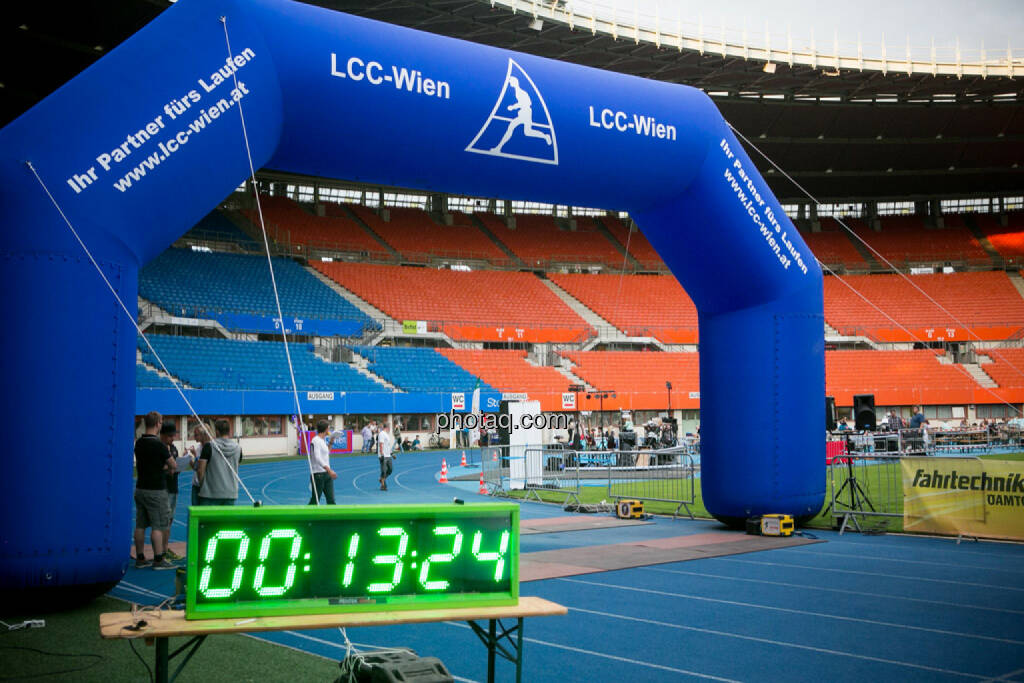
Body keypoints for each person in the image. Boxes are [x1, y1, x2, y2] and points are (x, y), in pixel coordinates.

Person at [133, 411, 176, 569]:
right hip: (156, 490)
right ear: (158, 423)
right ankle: (158, 559)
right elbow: (173, 464)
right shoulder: (158, 444)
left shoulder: (139, 442)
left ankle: (140, 557)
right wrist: (163, 466)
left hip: (140, 487)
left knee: (140, 524)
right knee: (158, 526)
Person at [196, 419, 242, 506]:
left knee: (208, 520)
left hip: (210, 494)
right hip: (230, 494)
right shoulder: (238, 449)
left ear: (216, 432)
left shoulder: (209, 446)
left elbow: (200, 470)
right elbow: (236, 466)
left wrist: (203, 486)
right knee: (225, 520)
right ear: (229, 431)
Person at [160, 421, 183, 561]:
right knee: (163, 520)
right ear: (162, 435)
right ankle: (161, 550)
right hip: (163, 489)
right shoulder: (160, 448)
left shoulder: (173, 448)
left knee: (170, 520)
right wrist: (168, 469)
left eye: (173, 436)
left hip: (173, 488)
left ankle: (165, 547)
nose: (172, 438)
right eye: (169, 436)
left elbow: (176, 468)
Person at [308, 419, 337, 504]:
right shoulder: (316, 440)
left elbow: (327, 453)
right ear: (326, 429)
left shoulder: (322, 440)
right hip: (318, 474)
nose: (329, 431)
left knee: (331, 500)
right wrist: (329, 470)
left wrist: (331, 443)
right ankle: (306, 515)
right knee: (315, 500)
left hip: (326, 474)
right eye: (329, 428)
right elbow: (317, 458)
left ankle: (332, 516)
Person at [188, 423, 211, 506]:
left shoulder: (211, 448)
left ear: (203, 434)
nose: (194, 437)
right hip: (196, 485)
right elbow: (196, 467)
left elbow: (203, 467)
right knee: (195, 508)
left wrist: (196, 456)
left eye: (196, 435)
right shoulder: (199, 447)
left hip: (206, 486)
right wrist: (189, 460)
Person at [378, 422, 395, 491]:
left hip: (388, 455)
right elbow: (381, 444)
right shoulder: (381, 434)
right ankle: (383, 485)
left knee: (390, 470)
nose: (390, 428)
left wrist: (392, 453)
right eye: (390, 427)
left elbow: (387, 446)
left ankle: (382, 479)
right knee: (384, 471)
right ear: (387, 427)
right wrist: (382, 454)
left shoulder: (387, 435)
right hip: (383, 455)